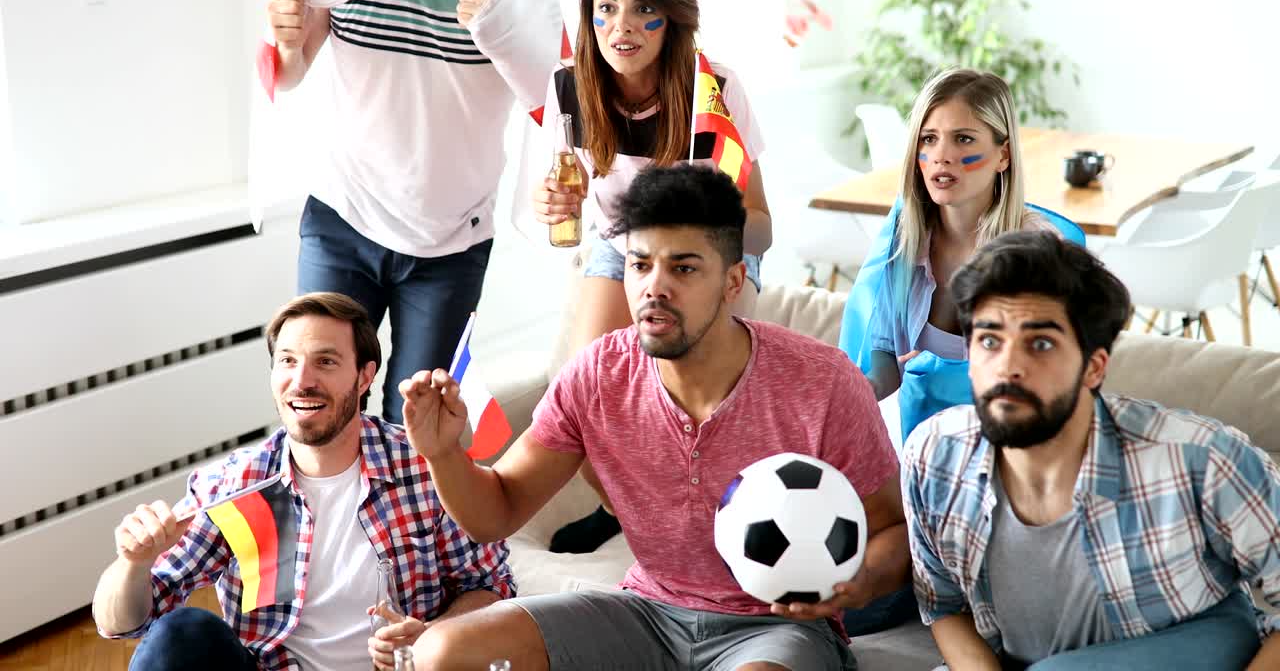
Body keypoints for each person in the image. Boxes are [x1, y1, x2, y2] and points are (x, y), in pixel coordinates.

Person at [403, 164, 904, 670]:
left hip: (775, 631)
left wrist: (857, 584)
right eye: (639, 265)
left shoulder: (821, 381)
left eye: (683, 269)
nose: (654, 287)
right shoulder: (598, 374)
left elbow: (895, 531)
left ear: (734, 281)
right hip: (647, 612)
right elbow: (497, 513)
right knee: (443, 652)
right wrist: (443, 453)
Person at [903, 230, 1279, 670]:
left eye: (1040, 344)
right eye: (990, 341)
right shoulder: (933, 458)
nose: (1008, 366)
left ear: (1093, 367)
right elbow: (943, 607)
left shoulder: (1203, 460)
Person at [93, 293, 514, 671]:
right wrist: (133, 562)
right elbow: (123, 623)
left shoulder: (425, 466)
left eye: (326, 361)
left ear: (364, 377)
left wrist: (433, 636)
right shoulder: (236, 483)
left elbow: (492, 587)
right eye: (288, 361)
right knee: (179, 633)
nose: (302, 380)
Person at [529, 0, 773, 554]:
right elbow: (568, 203)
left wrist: (703, 255)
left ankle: (714, 520)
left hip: (713, 249)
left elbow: (762, 227)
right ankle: (630, 511)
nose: (622, 28)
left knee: (694, 394)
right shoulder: (570, 89)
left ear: (673, 18)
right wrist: (556, 204)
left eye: (644, 10)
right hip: (621, 244)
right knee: (580, 393)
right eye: (606, 10)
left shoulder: (714, 88)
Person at [266, 0, 561, 424]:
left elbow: (554, 96)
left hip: (452, 241)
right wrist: (286, 43)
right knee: (319, 410)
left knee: (416, 426)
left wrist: (501, 30)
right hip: (342, 215)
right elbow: (293, 66)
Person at [838, 68, 1083, 442]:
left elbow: (1052, 382)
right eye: (929, 139)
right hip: (916, 446)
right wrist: (839, 400)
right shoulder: (901, 241)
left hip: (1010, 444)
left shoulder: (1040, 251)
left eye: (963, 139)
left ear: (1003, 155)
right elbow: (883, 366)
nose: (942, 156)